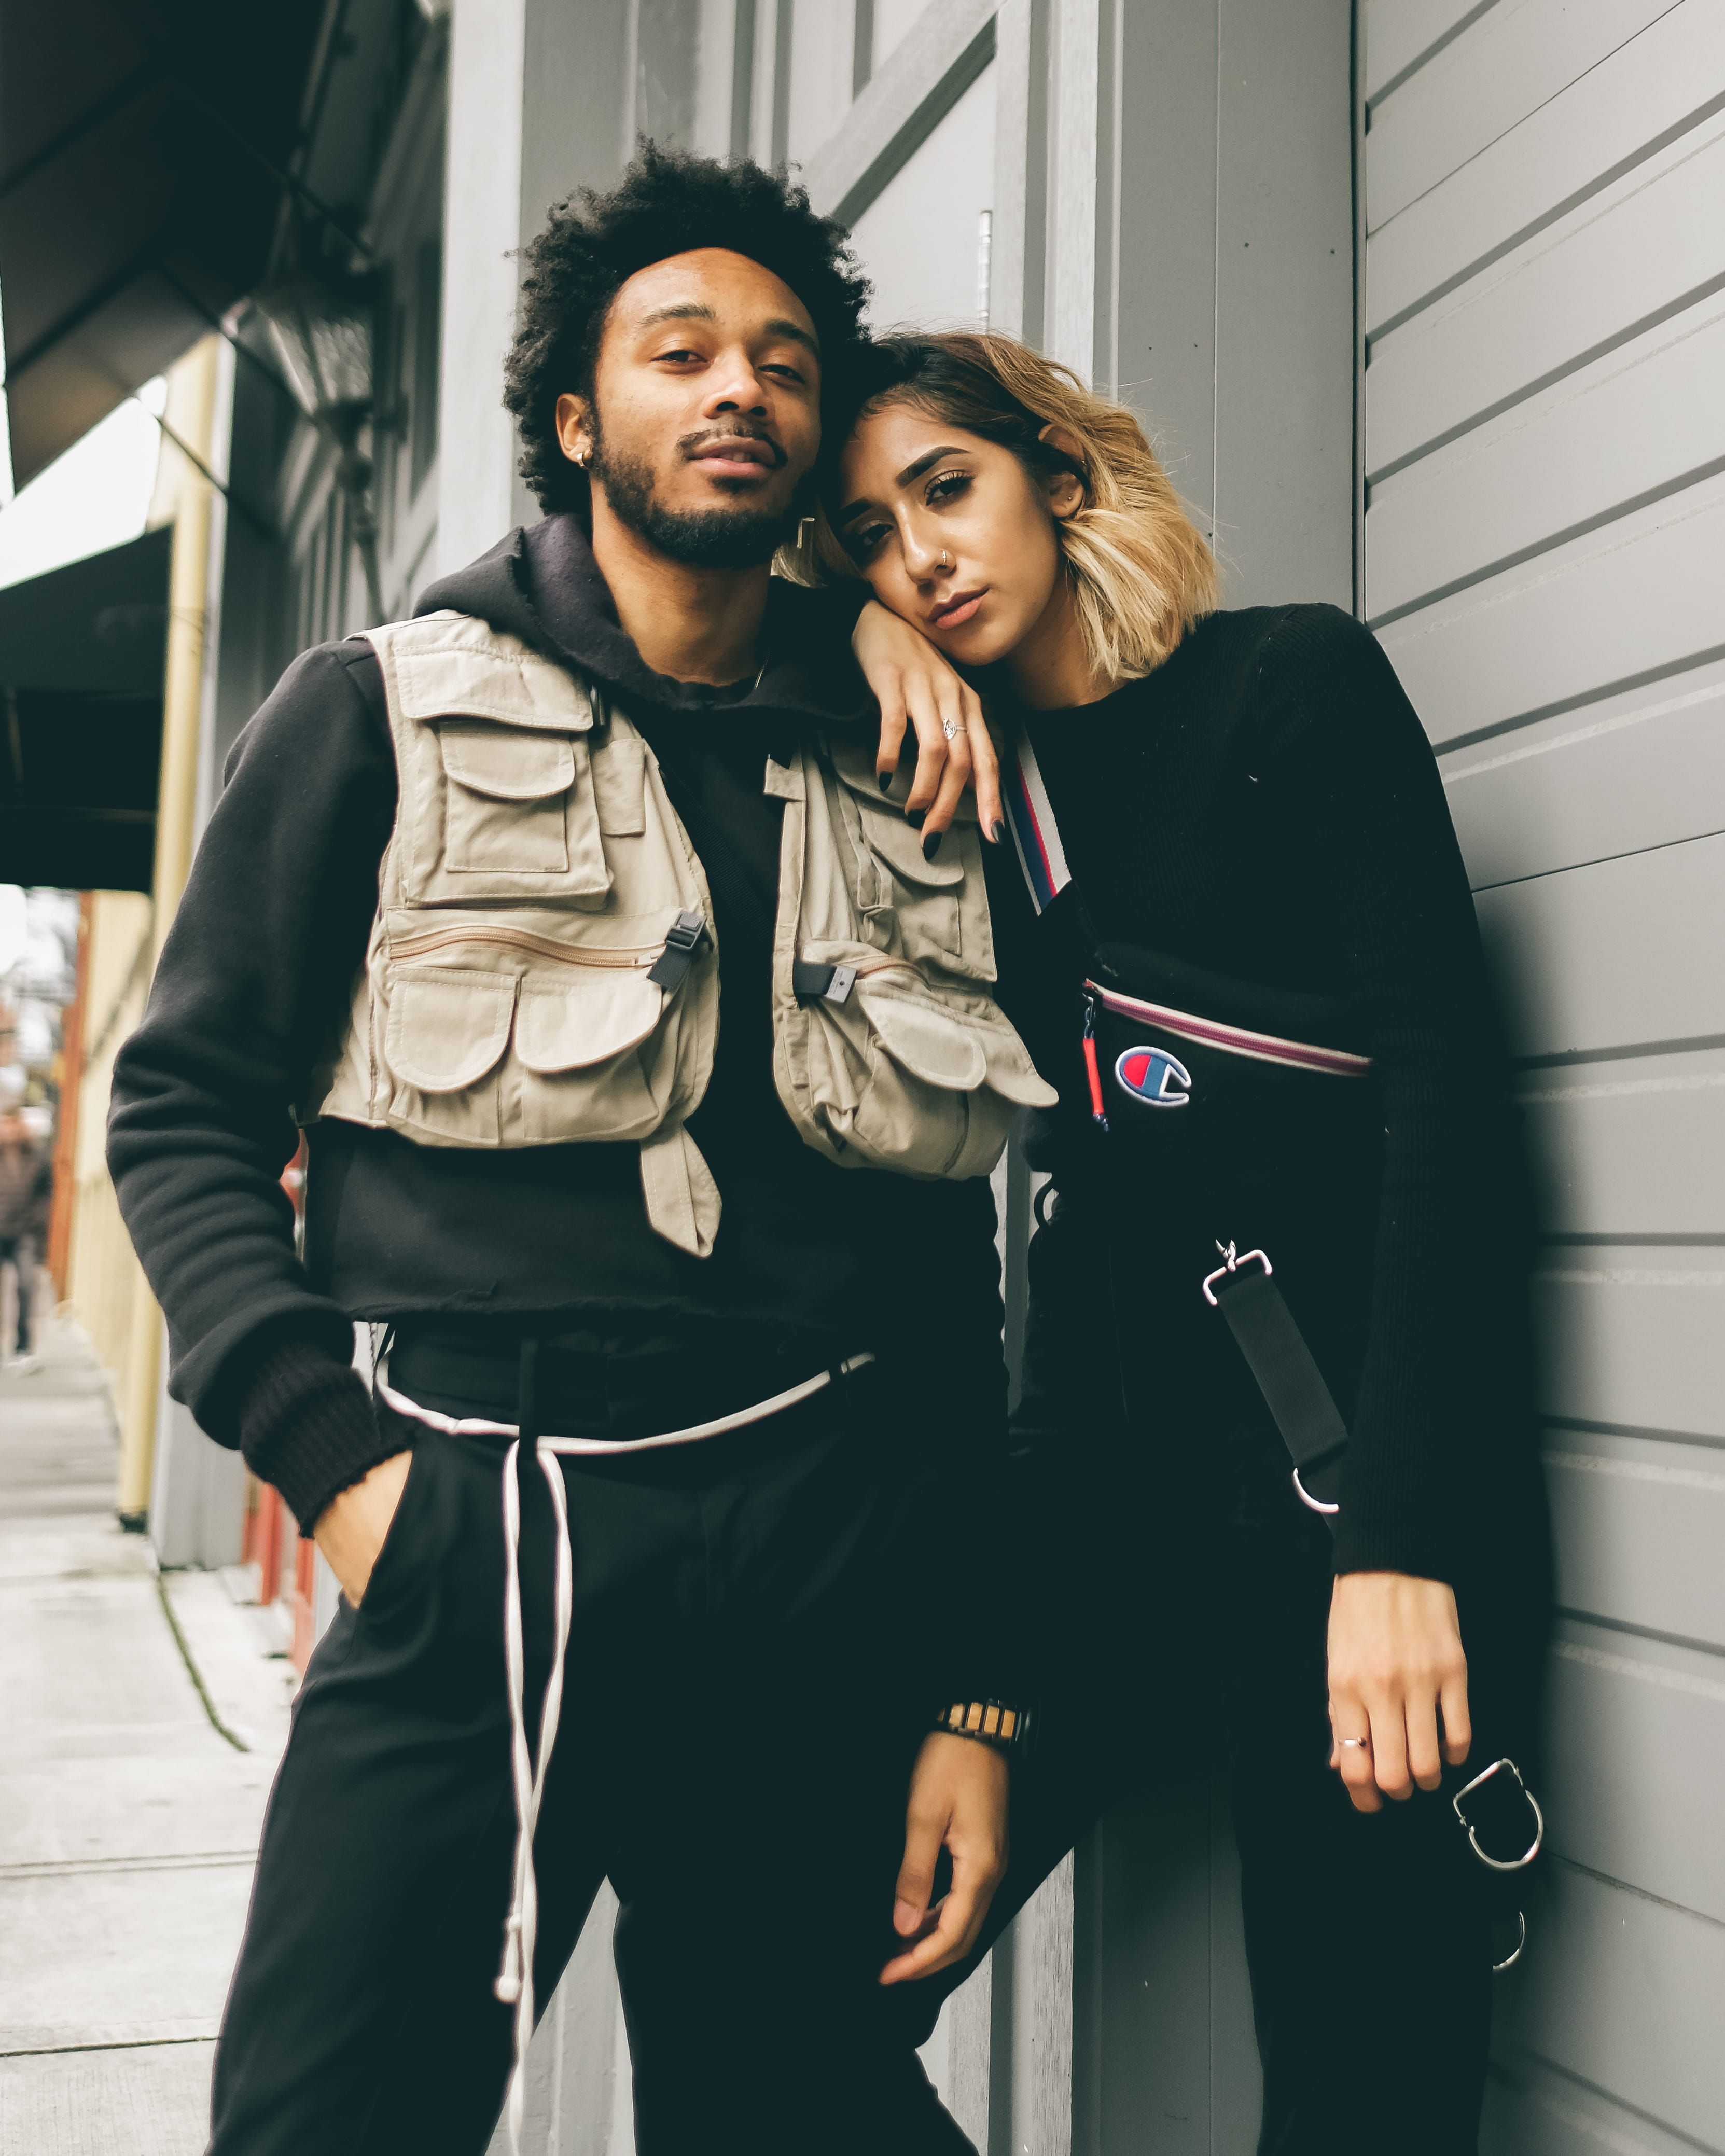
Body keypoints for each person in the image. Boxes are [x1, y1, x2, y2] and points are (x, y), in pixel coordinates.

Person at [107, 154, 1053, 2156]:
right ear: (572, 415)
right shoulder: (372, 706)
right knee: (329, 2107)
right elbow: (182, 1104)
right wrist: (342, 1468)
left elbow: (935, 1251)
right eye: (680, 350)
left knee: (796, 2095)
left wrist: (973, 1684)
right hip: (481, 1523)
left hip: (821, 1543)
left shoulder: (896, 755)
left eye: (783, 365)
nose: (739, 390)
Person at [809, 331, 1552, 2150]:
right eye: (867, 535)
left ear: (1057, 480)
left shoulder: (1289, 686)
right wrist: (842, 629)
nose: (920, 552)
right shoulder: (958, 799)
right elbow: (651, 578)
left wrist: (1395, 1543)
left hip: (1356, 1520)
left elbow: (1440, 1124)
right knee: (799, 1974)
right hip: (1111, 1524)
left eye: (945, 490)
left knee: (1360, 2104)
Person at [0, 1104, 50, 1371]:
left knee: (26, 1287)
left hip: (23, 1233)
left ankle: (23, 1348)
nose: (9, 1129)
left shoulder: (36, 1155)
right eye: (4, 1123)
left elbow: (46, 1193)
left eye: (13, 1123)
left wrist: (37, 1220)